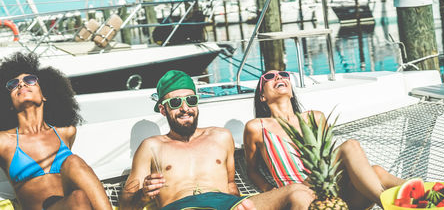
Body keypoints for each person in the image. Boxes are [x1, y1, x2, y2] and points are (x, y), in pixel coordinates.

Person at [121, 70, 315, 210]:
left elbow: (231, 185)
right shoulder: (151, 146)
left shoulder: (220, 137)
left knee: (299, 192)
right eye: (175, 103)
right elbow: (126, 206)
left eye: (191, 100)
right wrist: (144, 195)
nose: (185, 108)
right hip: (181, 206)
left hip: (228, 205)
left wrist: (241, 203)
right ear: (163, 109)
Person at [0, 52, 112, 210]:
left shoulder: (66, 132)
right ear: (9, 103)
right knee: (78, 198)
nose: (21, 84)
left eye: (30, 80)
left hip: (73, 204)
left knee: (74, 164)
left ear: (45, 95)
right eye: (13, 85)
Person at [243, 70, 405, 209]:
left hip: (335, 195)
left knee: (376, 170)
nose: (279, 78)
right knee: (350, 145)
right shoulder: (257, 127)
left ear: (291, 92)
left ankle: (424, 192)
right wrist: (269, 189)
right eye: (270, 77)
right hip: (300, 191)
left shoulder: (315, 117)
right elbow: (252, 169)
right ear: (262, 96)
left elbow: (330, 162)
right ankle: (390, 205)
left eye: (284, 75)